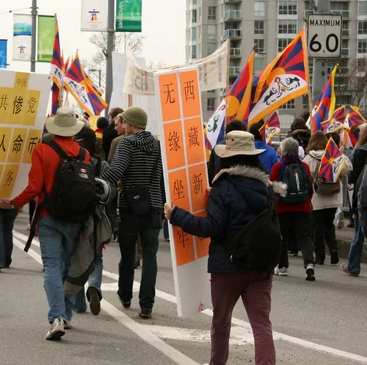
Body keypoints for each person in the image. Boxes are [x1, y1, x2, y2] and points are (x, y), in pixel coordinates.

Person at [164, 130, 278, 365]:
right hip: (260, 265)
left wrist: (176, 215)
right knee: (262, 325)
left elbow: (211, 227)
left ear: (226, 158)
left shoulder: (223, 186)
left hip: (228, 265)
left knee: (221, 322)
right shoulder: (266, 187)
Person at [0, 106, 90, 341]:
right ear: (74, 129)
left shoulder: (42, 150)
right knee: (68, 267)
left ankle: (56, 317)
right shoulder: (83, 154)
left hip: (48, 216)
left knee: (51, 267)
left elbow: (35, 187)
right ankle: (67, 315)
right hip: (76, 217)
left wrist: (13, 203)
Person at [101, 106, 164, 319]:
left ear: (131, 124)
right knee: (150, 255)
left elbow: (117, 170)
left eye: (125, 122)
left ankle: (125, 295)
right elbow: (161, 177)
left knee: (128, 254)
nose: (123, 125)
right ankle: (147, 304)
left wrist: (98, 181)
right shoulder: (156, 145)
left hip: (131, 206)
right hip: (154, 205)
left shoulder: (127, 143)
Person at [73, 126, 109, 316]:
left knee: (76, 259)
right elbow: (110, 192)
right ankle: (94, 285)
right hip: (95, 216)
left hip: (75, 215)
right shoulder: (100, 164)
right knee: (96, 257)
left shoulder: (72, 160)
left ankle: (78, 304)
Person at [303, 131, 352, 265]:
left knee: (317, 227)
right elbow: (348, 169)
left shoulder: (309, 158)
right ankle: (333, 248)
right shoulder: (333, 156)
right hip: (334, 196)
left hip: (317, 197)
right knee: (329, 225)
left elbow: (305, 175)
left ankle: (320, 256)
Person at [270, 138, 316, 280]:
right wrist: (305, 201)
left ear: (284, 150)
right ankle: (309, 264)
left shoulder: (278, 167)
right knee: (305, 236)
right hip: (303, 207)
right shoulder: (304, 167)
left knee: (282, 237)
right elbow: (310, 188)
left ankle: (283, 266)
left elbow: (273, 188)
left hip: (283, 208)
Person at [341, 124, 367, 276]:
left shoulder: (360, 151)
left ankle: (353, 265)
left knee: (359, 232)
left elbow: (352, 177)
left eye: (360, 132)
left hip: (363, 196)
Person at [207, 119, 246, 185]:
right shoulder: (248, 150)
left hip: (220, 188)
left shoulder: (217, 149)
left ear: (226, 133)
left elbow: (210, 174)